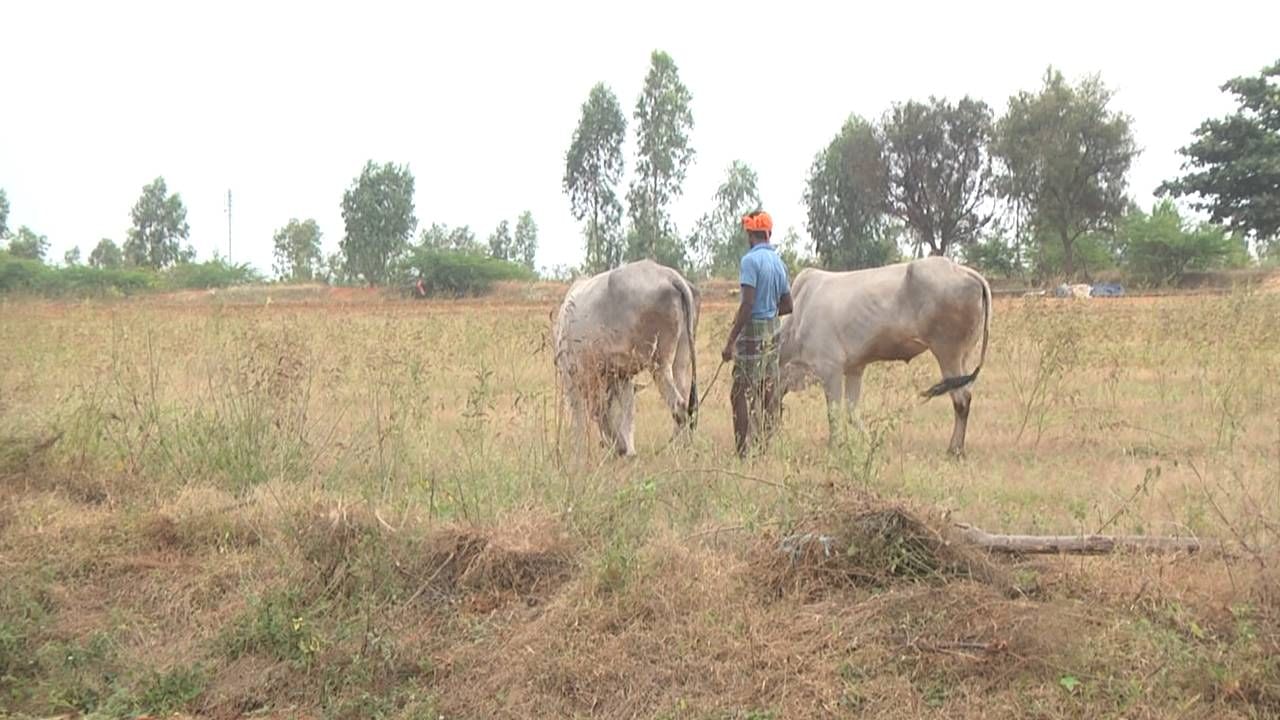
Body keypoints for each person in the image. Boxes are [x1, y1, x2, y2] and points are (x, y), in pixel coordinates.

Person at [721, 210, 792, 457]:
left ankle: (742, 453)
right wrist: (770, 308)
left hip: (752, 331)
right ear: (769, 234)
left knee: (739, 392)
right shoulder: (779, 263)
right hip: (773, 330)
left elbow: (747, 303)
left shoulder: (749, 262)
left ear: (751, 235)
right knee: (766, 390)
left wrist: (730, 341)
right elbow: (789, 305)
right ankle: (764, 448)